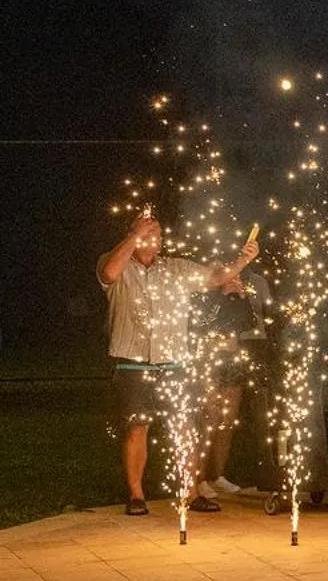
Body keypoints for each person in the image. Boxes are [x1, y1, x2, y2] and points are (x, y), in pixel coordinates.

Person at [97, 211, 261, 515]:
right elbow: (108, 274)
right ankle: (136, 496)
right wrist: (135, 236)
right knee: (137, 427)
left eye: (158, 232)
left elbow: (215, 278)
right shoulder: (115, 261)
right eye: (148, 231)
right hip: (132, 361)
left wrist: (243, 260)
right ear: (132, 234)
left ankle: (190, 492)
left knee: (185, 428)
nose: (155, 237)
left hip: (174, 362)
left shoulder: (175, 268)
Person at [198, 265, 273, 501]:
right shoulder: (206, 291)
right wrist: (222, 294)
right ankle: (198, 478)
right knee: (209, 419)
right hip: (209, 359)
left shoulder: (236, 295)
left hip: (232, 358)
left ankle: (217, 475)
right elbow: (203, 322)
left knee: (227, 420)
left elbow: (250, 323)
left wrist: (241, 296)